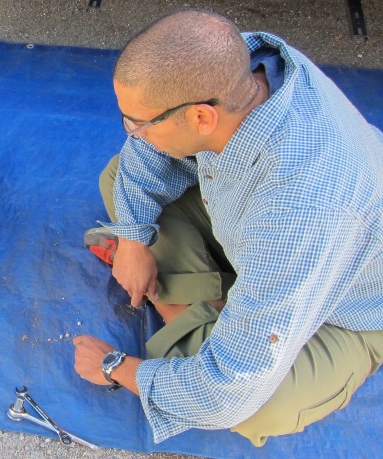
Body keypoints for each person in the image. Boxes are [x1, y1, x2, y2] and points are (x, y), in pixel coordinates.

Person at [73, 10, 383, 447]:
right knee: (120, 176)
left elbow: (228, 392)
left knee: (257, 405)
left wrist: (117, 368)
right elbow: (140, 161)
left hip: (348, 307)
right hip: (259, 234)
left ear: (201, 117)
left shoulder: (301, 210)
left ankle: (187, 313)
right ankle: (209, 315)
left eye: (138, 123)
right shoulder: (245, 62)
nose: (133, 133)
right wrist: (133, 239)